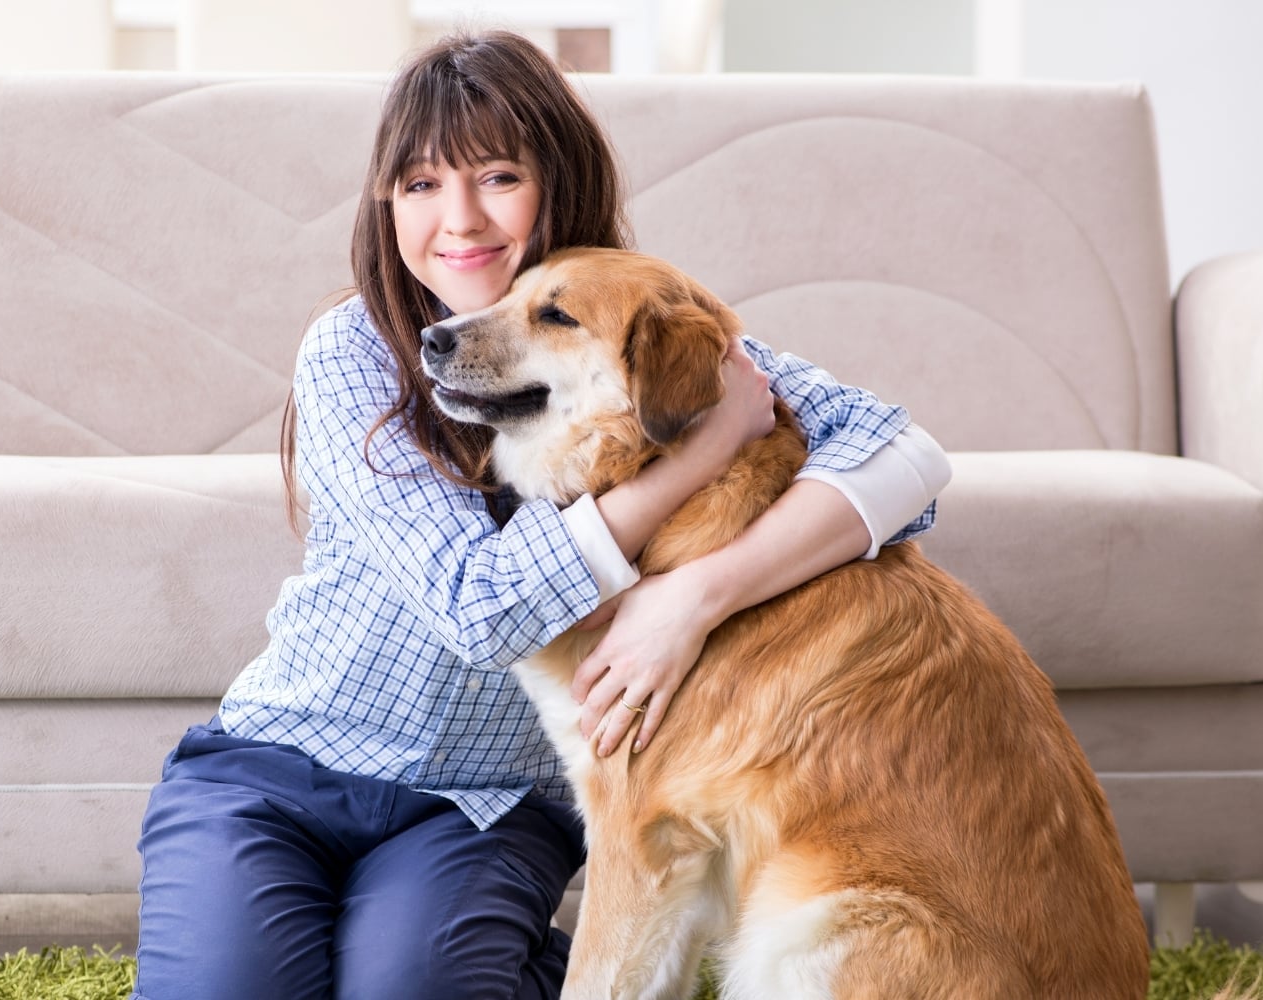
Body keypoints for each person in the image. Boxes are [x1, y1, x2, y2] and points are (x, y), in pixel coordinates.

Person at [132, 30, 951, 1000]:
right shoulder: (354, 348)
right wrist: (700, 452)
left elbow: (907, 457)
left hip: (478, 806)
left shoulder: (630, 316)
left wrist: (695, 596)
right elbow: (478, 610)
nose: (460, 219)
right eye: (421, 183)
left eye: (498, 176)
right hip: (280, 770)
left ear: (556, 182)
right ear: (387, 204)